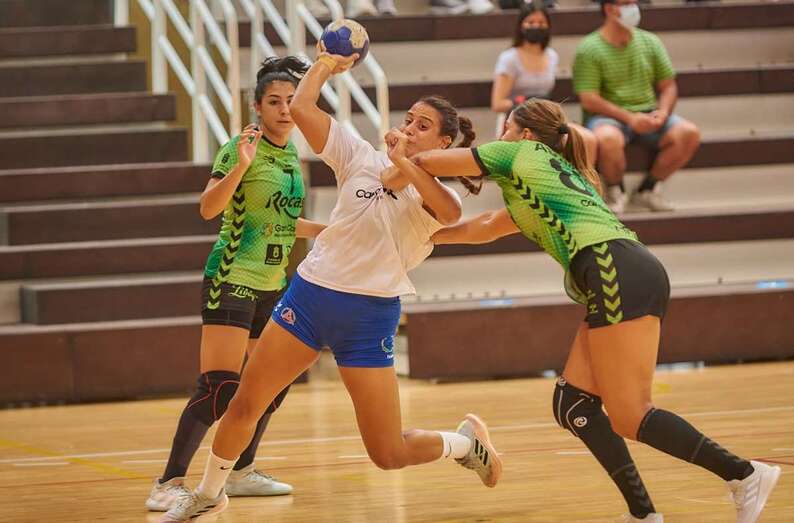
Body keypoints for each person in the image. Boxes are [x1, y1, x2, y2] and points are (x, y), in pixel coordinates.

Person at [398, 98, 781, 523]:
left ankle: (745, 474)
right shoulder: (538, 181)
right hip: (622, 270)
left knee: (631, 415)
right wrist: (425, 238)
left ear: (526, 134)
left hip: (613, 268)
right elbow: (487, 226)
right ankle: (643, 514)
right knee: (573, 404)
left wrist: (400, 148)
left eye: (506, 129)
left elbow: (429, 161)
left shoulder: (521, 152)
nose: (499, 136)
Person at [159, 50, 502, 523]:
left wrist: (408, 162)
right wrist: (326, 62)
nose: (409, 128)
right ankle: (209, 493)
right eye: (408, 119)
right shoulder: (360, 156)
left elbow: (450, 212)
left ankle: (463, 443)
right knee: (245, 402)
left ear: (444, 143)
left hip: (368, 317)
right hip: (310, 296)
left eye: (423, 126)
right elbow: (302, 108)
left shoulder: (436, 195)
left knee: (387, 453)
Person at [144, 56, 327, 512]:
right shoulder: (239, 147)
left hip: (272, 283)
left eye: (290, 101)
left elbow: (280, 223)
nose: (284, 110)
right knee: (219, 388)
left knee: (272, 383)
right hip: (231, 278)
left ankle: (241, 472)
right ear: (257, 107)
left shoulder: (291, 154)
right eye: (274, 101)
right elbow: (209, 208)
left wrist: (330, 232)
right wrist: (241, 166)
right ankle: (168, 483)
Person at [573, 0, 700, 213]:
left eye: (634, 2)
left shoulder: (651, 41)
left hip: (649, 112)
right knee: (608, 138)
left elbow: (668, 86)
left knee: (689, 133)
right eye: (626, 3)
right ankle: (615, 190)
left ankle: (648, 189)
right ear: (609, 9)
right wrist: (630, 118)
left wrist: (663, 113)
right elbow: (589, 99)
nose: (633, 8)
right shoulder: (589, 48)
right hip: (608, 118)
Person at [491, 2, 596, 162]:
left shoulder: (551, 56)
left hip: (545, 118)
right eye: (531, 22)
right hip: (517, 119)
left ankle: (583, 177)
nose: (536, 26)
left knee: (586, 138)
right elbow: (497, 104)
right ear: (521, 26)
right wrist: (525, 102)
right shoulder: (509, 58)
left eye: (541, 23)